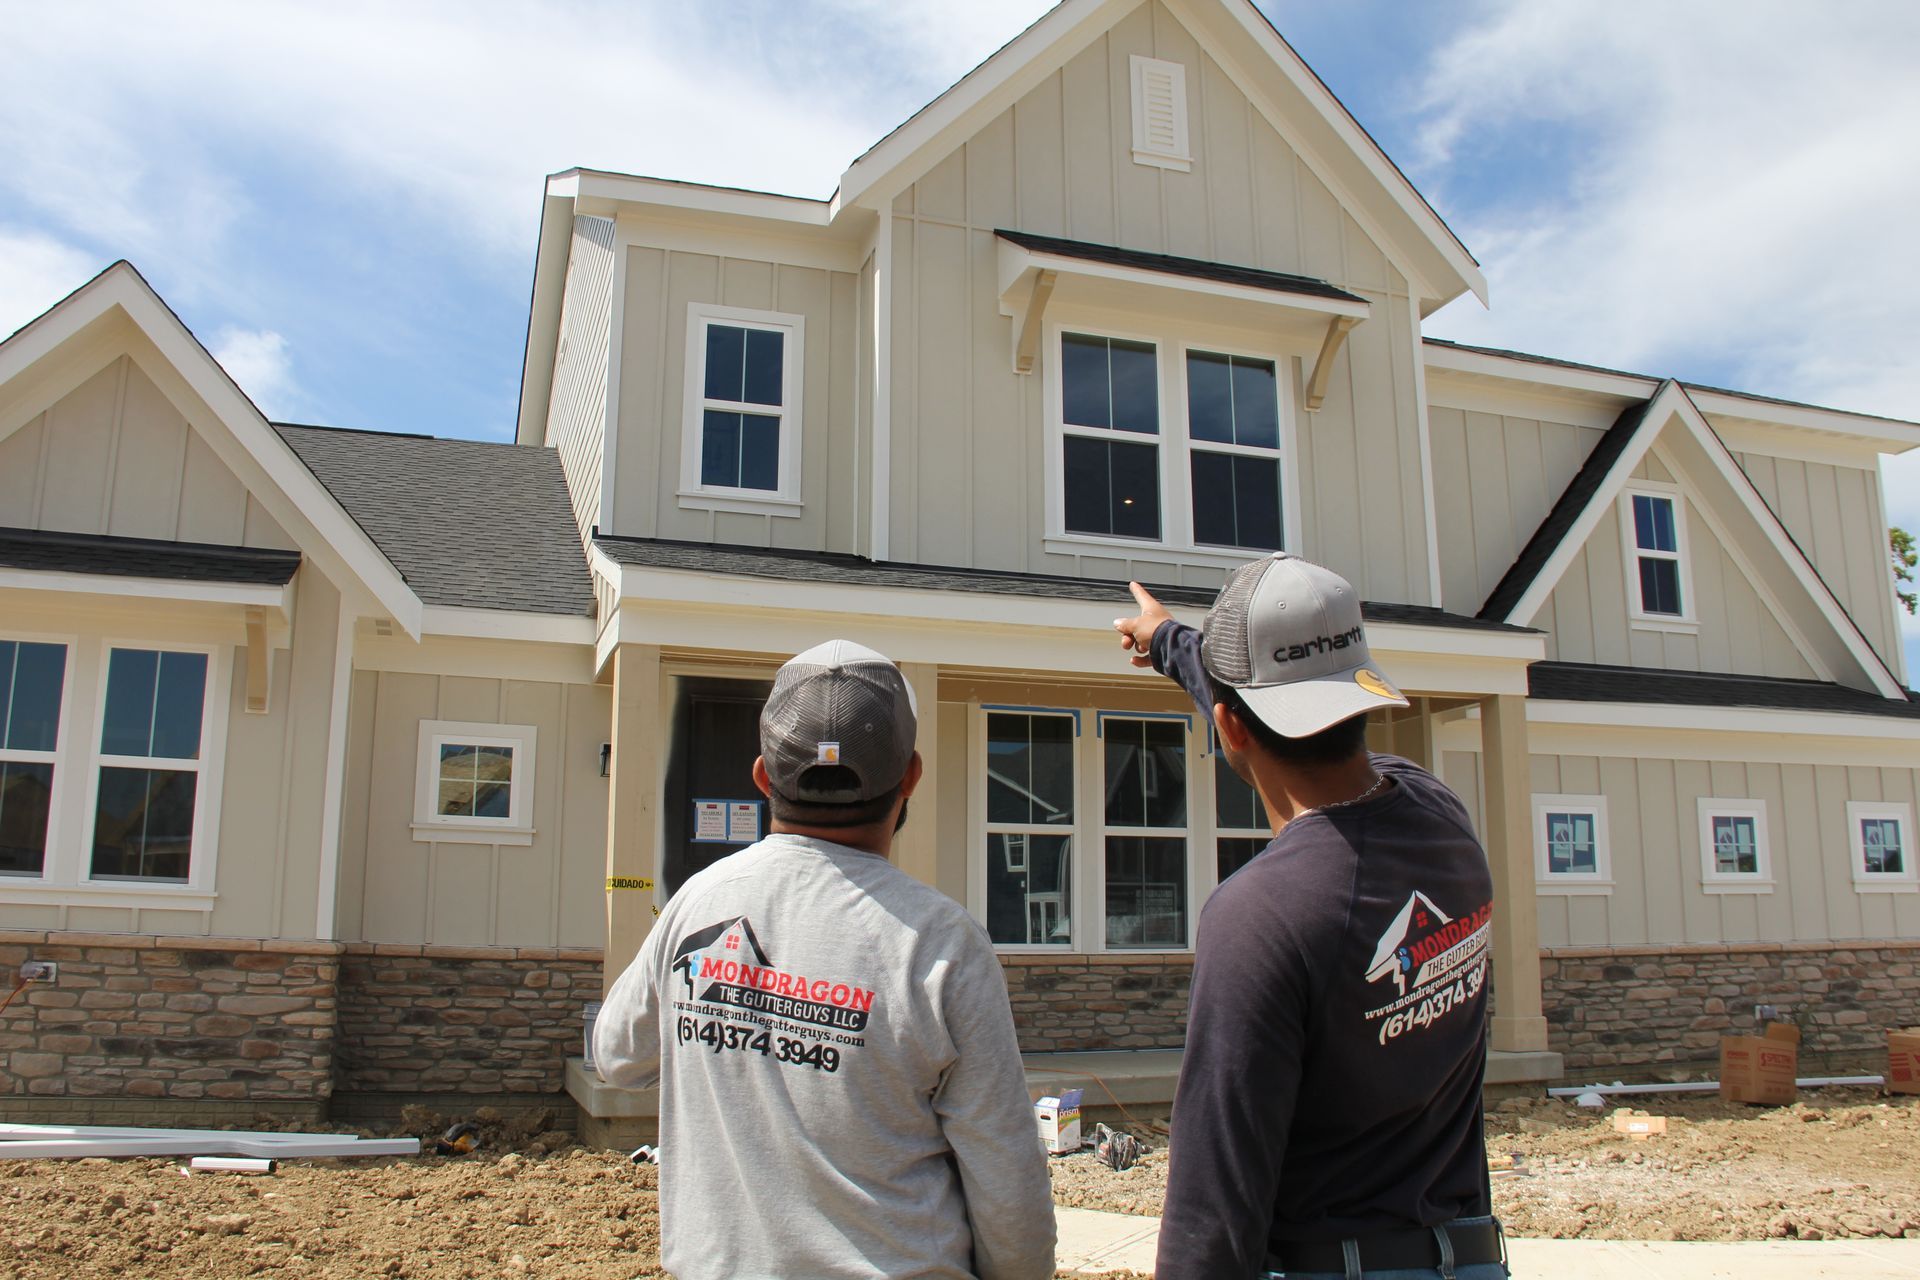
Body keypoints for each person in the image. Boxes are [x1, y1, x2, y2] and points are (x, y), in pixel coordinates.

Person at [593, 639, 1056, 1280]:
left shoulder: (700, 902)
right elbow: (1004, 1169)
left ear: (761, 776)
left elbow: (618, 1057)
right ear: (911, 775)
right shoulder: (941, 941)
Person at [1112, 553, 1506, 1280]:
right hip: (1470, 1257)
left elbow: (1214, 1208)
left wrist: (1182, 651)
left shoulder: (1261, 918)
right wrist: (1169, 639)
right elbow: (1251, 712)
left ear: (1229, 726)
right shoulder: (1440, 815)